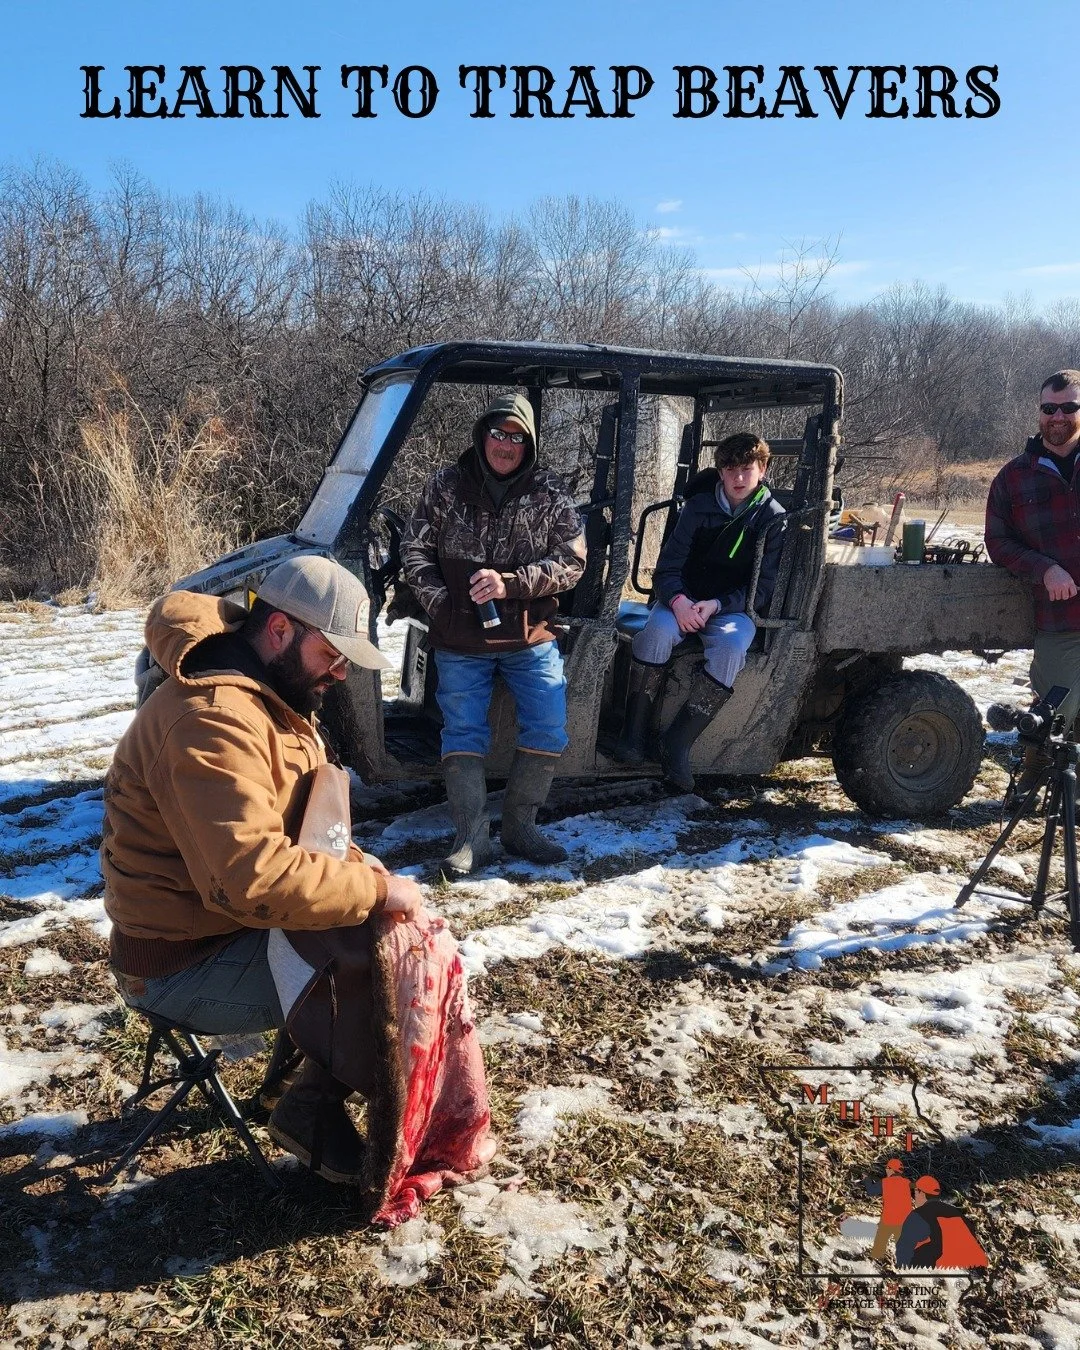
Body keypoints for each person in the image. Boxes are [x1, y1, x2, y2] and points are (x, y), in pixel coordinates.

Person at [102, 555, 426, 1186]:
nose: (340, 672)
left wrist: (363, 873)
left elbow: (296, 832)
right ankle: (310, 1107)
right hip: (178, 964)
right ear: (280, 629)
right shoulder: (213, 718)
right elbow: (250, 879)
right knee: (381, 954)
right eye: (333, 654)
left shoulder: (264, 693)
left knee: (386, 925)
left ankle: (307, 1090)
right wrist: (376, 891)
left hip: (216, 927)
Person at [401, 393, 586, 875]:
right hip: (460, 637)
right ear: (483, 435)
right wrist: (443, 606)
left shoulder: (550, 492)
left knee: (549, 724)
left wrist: (513, 583)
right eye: (499, 434)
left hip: (530, 631)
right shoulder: (445, 485)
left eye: (517, 437)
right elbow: (414, 550)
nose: (507, 445)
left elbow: (572, 561)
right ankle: (472, 840)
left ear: (530, 442)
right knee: (462, 730)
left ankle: (520, 829)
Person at [615, 431, 787, 790]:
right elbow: (667, 569)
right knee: (656, 632)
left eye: (746, 469)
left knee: (732, 646)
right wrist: (678, 601)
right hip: (682, 601)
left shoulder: (772, 518)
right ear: (720, 472)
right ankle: (632, 734)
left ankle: (677, 743)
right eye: (730, 469)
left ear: (763, 470)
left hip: (730, 608)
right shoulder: (697, 507)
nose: (738, 478)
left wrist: (718, 605)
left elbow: (765, 587)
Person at [986, 370, 1080, 789]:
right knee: (1056, 706)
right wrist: (1044, 568)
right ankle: (1035, 778)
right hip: (1060, 616)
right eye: (1049, 409)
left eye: (1069, 407)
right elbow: (997, 540)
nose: (1057, 417)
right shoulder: (1014, 476)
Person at [895, 1175, 988, 1269]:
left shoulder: (921, 1215)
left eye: (915, 1192)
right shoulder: (953, 1212)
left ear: (921, 1193)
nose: (914, 1196)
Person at [863, 1158, 913, 1260]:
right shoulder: (907, 1183)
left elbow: (871, 1192)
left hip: (889, 1219)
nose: (886, 1170)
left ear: (890, 1169)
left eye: (887, 1168)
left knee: (880, 1244)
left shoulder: (885, 1182)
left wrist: (866, 1180)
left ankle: (876, 1258)